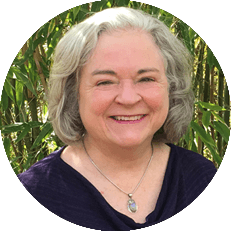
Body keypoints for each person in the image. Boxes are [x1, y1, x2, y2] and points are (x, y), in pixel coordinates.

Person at [17, 7, 217, 231]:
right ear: (74, 93)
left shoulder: (203, 179)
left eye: (146, 78)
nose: (128, 98)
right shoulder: (32, 195)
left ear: (171, 88)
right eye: (105, 82)